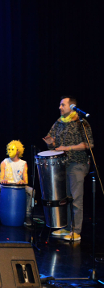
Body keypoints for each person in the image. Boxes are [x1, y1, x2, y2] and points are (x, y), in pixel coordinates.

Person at [42, 96, 93, 241]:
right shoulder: (58, 123)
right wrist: (50, 143)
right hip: (62, 165)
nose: (59, 107)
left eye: (62, 105)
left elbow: (89, 144)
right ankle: (66, 227)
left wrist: (68, 148)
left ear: (71, 107)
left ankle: (76, 231)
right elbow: (52, 144)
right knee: (66, 198)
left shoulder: (81, 123)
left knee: (76, 198)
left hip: (77, 163)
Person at [0, 140, 34, 226]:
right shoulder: (4, 162)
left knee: (31, 191)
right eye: (8, 149)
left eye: (12, 149)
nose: (9, 151)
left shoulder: (23, 163)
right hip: (6, 185)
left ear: (18, 151)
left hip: (19, 186)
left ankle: (27, 216)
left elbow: (26, 180)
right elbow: (0, 178)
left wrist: (22, 182)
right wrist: (3, 181)